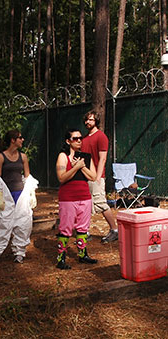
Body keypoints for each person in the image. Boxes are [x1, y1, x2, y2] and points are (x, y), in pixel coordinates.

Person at [0, 130, 38, 264]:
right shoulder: (1, 157)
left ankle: (19, 252)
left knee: (23, 223)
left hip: (20, 194)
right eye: (20, 138)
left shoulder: (23, 157)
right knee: (2, 223)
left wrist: (31, 192)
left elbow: (27, 176)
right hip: (6, 195)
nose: (22, 140)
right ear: (13, 140)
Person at [56, 128, 98, 269]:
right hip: (68, 198)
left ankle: (82, 254)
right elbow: (61, 178)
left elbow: (93, 177)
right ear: (68, 141)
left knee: (83, 228)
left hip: (84, 197)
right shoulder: (63, 156)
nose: (79, 140)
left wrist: (81, 167)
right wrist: (75, 168)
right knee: (65, 228)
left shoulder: (86, 157)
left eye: (80, 138)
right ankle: (61, 258)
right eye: (75, 138)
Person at [81, 110, 118, 243]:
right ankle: (85, 232)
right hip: (85, 177)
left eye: (90, 120)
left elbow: (102, 159)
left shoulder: (101, 137)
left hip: (96, 177)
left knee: (101, 203)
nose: (87, 122)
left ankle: (114, 230)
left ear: (96, 121)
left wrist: (97, 177)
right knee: (84, 205)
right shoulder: (84, 138)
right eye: (86, 120)